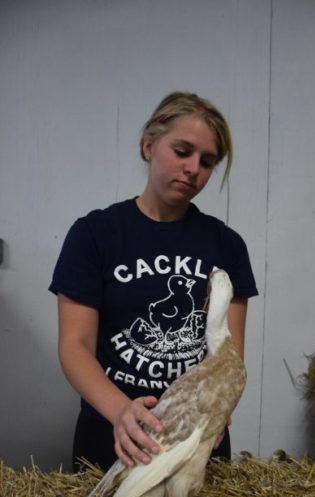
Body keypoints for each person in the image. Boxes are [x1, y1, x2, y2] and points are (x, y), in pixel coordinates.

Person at [49, 91, 258, 472]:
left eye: (207, 161)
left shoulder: (227, 246)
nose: (193, 168)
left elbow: (229, 353)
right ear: (148, 145)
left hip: (194, 439)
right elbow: (74, 345)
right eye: (182, 151)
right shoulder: (95, 234)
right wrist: (120, 412)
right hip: (113, 436)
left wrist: (220, 408)